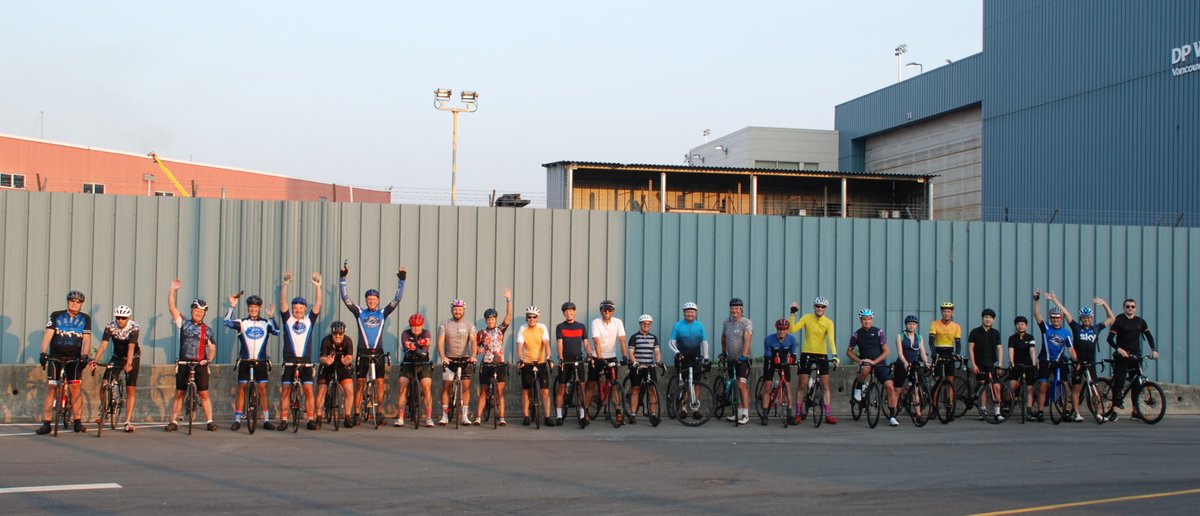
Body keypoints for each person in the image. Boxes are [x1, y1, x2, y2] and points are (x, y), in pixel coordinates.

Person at [341, 263, 406, 427]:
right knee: (361, 383)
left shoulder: (382, 313)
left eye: (374, 299)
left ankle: (380, 412)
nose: (371, 301)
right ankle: (356, 413)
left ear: (378, 301)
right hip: (363, 352)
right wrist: (343, 278)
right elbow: (345, 298)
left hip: (378, 352)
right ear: (366, 301)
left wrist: (402, 281)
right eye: (369, 299)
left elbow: (397, 299)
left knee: (380, 383)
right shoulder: (359, 312)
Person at [36, 290, 92, 435]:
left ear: (81, 305)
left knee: (75, 388)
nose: (74, 303)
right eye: (72, 301)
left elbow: (86, 339)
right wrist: (43, 353)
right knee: (51, 388)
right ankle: (47, 423)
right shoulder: (56, 315)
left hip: (74, 358)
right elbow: (48, 335)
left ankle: (78, 422)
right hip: (56, 356)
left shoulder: (85, 318)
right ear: (68, 302)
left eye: (78, 302)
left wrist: (85, 355)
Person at [165, 279, 217, 432]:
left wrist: (208, 360)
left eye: (201, 312)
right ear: (192, 311)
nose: (198, 313)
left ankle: (210, 421)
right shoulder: (184, 323)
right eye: (196, 311)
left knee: (204, 394)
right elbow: (171, 307)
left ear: (204, 313)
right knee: (180, 393)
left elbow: (212, 347)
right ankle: (173, 422)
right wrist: (172, 290)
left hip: (200, 363)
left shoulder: (207, 330)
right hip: (184, 363)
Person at [223, 293, 280, 431]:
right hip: (245, 359)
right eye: (251, 307)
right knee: (241, 389)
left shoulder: (265, 323)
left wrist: (272, 316)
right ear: (248, 308)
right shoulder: (242, 322)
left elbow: (277, 331)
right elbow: (226, 322)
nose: (253, 309)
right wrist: (231, 306)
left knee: (262, 390)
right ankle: (237, 419)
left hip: (260, 360)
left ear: (259, 308)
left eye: (255, 307)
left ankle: (266, 420)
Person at [1056, 296, 1116, 422]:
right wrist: (1054, 299)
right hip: (1078, 363)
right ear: (1081, 319)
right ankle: (1077, 414)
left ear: (1091, 318)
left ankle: (1099, 413)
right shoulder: (1076, 327)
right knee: (1076, 389)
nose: (1086, 320)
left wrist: (1104, 304)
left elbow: (1112, 319)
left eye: (1088, 318)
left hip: (1090, 363)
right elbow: (1066, 313)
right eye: (1084, 318)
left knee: (1095, 390)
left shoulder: (1096, 328)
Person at [279, 272, 324, 431]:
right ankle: (284, 420)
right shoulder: (288, 320)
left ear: (305, 309)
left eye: (300, 308)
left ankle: (310, 419)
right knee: (285, 391)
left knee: (308, 391)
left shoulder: (309, 320)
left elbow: (318, 305)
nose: (298, 311)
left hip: (305, 361)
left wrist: (318, 286)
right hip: (290, 360)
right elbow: (282, 302)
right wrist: (285, 284)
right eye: (295, 308)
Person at [1105, 297, 1158, 421]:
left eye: (1132, 306)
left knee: (1137, 384)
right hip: (1122, 356)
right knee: (1120, 382)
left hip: (1136, 356)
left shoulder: (1140, 321)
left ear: (1136, 308)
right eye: (1128, 306)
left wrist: (1154, 350)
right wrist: (1119, 349)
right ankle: (1114, 411)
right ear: (1124, 307)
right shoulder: (1119, 321)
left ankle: (1135, 411)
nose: (1130, 308)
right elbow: (1109, 339)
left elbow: (1149, 336)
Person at [789, 296, 839, 425]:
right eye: (818, 306)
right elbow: (792, 330)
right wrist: (793, 314)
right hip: (807, 353)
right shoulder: (807, 317)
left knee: (825, 385)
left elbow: (831, 340)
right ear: (814, 307)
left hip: (822, 354)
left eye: (823, 307)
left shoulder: (829, 322)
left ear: (826, 309)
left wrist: (834, 355)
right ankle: (798, 414)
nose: (820, 308)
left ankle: (828, 414)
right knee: (802, 384)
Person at [91, 305, 139, 432]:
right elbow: (104, 344)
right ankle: (104, 409)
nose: (120, 320)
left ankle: (127, 421)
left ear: (128, 318)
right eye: (118, 317)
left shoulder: (134, 327)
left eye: (123, 318)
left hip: (132, 356)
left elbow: (131, 347)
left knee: (131, 389)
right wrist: (95, 360)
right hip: (117, 356)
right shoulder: (110, 326)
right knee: (104, 384)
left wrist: (129, 363)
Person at [847, 308, 898, 426]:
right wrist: (859, 360)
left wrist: (875, 361)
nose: (867, 322)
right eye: (864, 319)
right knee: (866, 368)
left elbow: (886, 351)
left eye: (869, 319)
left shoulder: (879, 332)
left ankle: (892, 416)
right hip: (865, 362)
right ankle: (858, 389)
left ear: (872, 319)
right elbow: (849, 352)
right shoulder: (856, 334)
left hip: (879, 362)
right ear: (861, 320)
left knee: (890, 387)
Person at [1032, 290, 1077, 422]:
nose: (1056, 319)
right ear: (1050, 318)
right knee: (1042, 386)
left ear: (1061, 318)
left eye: (1058, 317)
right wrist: (1037, 300)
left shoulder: (1066, 332)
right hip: (1045, 361)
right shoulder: (1046, 327)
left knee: (1064, 386)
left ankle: (1065, 411)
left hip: (1059, 362)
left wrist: (1075, 360)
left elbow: (1071, 349)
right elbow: (1036, 314)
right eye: (1053, 317)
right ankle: (1040, 411)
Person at [474, 289, 513, 426]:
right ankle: (478, 417)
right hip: (486, 364)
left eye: (493, 319)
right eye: (489, 319)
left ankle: (502, 417)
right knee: (484, 392)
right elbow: (476, 349)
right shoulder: (481, 333)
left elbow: (508, 316)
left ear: (495, 320)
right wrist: (480, 349)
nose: (491, 321)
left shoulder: (500, 329)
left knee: (500, 393)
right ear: (486, 320)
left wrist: (508, 300)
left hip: (499, 364)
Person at [437, 299, 478, 426]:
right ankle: (444, 415)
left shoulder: (469, 325)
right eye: (455, 309)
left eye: (460, 310)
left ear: (463, 311)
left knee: (465, 388)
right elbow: (440, 342)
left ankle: (464, 416)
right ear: (452, 310)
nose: (457, 312)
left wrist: (474, 356)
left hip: (465, 360)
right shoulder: (445, 324)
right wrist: (443, 356)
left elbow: (473, 341)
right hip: (450, 360)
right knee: (446, 389)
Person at [587, 300, 628, 425]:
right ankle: (585, 412)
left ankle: (618, 412)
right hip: (597, 356)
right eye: (604, 310)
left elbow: (621, 339)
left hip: (611, 356)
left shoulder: (618, 322)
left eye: (609, 310)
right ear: (601, 311)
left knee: (614, 384)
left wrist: (625, 356)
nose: (607, 312)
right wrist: (599, 359)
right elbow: (596, 341)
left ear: (613, 311)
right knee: (592, 384)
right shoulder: (596, 322)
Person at [670, 302, 710, 421]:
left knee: (696, 384)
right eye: (688, 311)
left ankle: (695, 409)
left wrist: (706, 358)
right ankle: (683, 409)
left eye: (692, 312)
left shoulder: (700, 326)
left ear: (695, 313)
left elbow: (704, 342)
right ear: (684, 313)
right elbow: (671, 342)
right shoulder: (677, 325)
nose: (690, 313)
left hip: (696, 358)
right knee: (683, 383)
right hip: (682, 358)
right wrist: (677, 352)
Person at [517, 306, 553, 426]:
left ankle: (547, 417)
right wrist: (520, 360)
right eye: (529, 317)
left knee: (545, 391)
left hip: (541, 362)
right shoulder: (523, 328)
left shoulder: (542, 328)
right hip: (527, 363)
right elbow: (519, 346)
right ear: (526, 318)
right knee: (526, 390)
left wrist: (549, 357)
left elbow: (546, 343)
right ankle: (526, 416)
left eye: (534, 317)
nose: (532, 319)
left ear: (537, 318)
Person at [555, 301, 589, 427]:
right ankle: (559, 415)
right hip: (566, 360)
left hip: (578, 359)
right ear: (564, 314)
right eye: (566, 311)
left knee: (581, 387)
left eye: (571, 311)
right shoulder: (560, 327)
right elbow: (560, 343)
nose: (569, 313)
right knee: (562, 387)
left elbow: (585, 342)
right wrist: (561, 357)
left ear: (574, 312)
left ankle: (581, 414)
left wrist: (589, 353)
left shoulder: (581, 326)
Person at [316, 320, 355, 429]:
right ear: (332, 333)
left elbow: (350, 357)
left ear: (344, 333)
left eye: (340, 334)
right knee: (321, 391)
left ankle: (347, 417)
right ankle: (318, 418)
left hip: (342, 366)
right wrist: (326, 360)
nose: (337, 336)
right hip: (327, 366)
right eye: (335, 334)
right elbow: (321, 357)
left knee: (349, 390)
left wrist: (347, 360)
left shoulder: (348, 341)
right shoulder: (326, 341)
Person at [720, 298, 753, 425]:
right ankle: (737, 413)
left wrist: (744, 355)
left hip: (744, 360)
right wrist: (724, 352)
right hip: (731, 359)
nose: (734, 310)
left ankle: (745, 414)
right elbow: (723, 337)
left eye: (737, 308)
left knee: (741, 385)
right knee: (734, 385)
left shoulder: (746, 322)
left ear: (741, 309)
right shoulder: (726, 323)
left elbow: (747, 339)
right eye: (732, 308)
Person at [397, 313, 434, 427]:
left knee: (426, 386)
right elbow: (407, 352)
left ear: (422, 325)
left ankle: (428, 417)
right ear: (410, 326)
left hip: (423, 362)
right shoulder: (405, 334)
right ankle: (400, 417)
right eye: (413, 326)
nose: (416, 329)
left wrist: (414, 346)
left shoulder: (426, 333)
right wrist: (419, 344)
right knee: (403, 385)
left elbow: (424, 353)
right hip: (408, 362)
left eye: (418, 326)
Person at [967, 308, 1004, 422]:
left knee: (996, 387)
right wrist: (973, 364)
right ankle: (982, 411)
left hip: (991, 363)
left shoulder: (995, 333)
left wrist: (1000, 364)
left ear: (993, 320)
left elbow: (999, 349)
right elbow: (971, 348)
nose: (988, 320)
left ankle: (997, 413)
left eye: (990, 318)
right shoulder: (974, 332)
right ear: (982, 318)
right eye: (986, 317)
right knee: (982, 386)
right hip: (979, 363)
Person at [892, 315, 930, 425]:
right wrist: (905, 363)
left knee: (916, 389)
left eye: (914, 324)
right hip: (902, 364)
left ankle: (918, 414)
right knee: (897, 390)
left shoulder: (919, 337)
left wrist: (926, 362)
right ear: (906, 325)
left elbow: (922, 352)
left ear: (916, 325)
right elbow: (900, 352)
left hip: (914, 365)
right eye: (909, 324)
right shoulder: (900, 336)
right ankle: (893, 413)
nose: (911, 326)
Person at [626, 314, 662, 425]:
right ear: (640, 324)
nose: (646, 325)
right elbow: (631, 353)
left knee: (652, 390)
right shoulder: (634, 337)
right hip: (638, 366)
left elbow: (656, 352)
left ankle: (654, 414)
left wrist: (658, 361)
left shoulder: (653, 337)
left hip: (649, 366)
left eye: (648, 324)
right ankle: (632, 414)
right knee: (635, 389)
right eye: (644, 323)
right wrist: (635, 362)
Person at [760, 318, 797, 426]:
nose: (782, 332)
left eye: (784, 329)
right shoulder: (769, 339)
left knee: (787, 386)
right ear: (777, 329)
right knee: (767, 386)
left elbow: (793, 355)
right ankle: (765, 415)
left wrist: (791, 360)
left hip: (784, 363)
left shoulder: (792, 340)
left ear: (787, 329)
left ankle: (790, 415)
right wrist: (773, 360)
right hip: (771, 361)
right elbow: (767, 355)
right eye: (780, 329)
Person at [1007, 316, 1038, 421]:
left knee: (1029, 388)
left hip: (1028, 364)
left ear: (1026, 326)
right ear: (1016, 326)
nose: (1020, 326)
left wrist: (1034, 363)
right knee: (1012, 385)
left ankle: (1029, 412)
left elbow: (1032, 350)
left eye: (1022, 324)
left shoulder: (1030, 337)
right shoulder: (1012, 338)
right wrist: (1012, 362)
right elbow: (1011, 350)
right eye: (1018, 324)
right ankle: (1008, 404)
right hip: (1016, 364)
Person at [929, 301, 962, 385]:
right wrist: (933, 353)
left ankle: (950, 399)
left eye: (948, 311)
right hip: (938, 351)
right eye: (944, 311)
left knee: (950, 380)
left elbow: (958, 343)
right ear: (941, 312)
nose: (946, 314)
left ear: (952, 313)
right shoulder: (934, 324)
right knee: (937, 380)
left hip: (949, 352)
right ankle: (935, 398)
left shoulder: (956, 326)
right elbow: (931, 341)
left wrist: (957, 354)